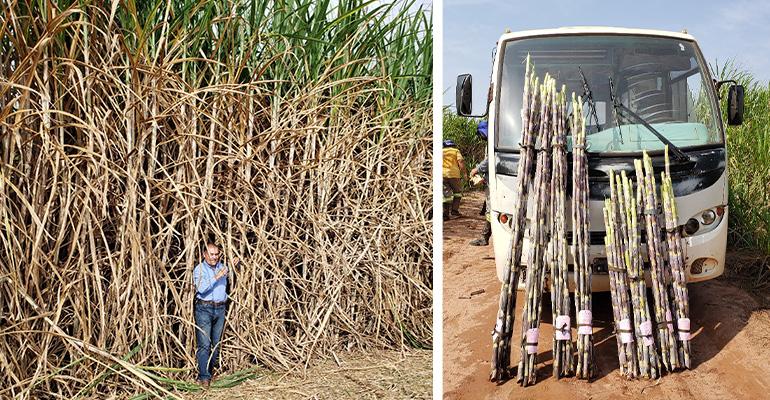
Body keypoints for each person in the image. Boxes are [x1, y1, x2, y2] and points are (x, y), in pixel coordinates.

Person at [193, 242, 239, 387]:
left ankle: (210, 372)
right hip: (204, 309)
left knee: (216, 344)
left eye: (216, 254)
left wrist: (233, 266)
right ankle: (204, 377)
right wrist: (216, 277)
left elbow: (228, 274)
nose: (214, 257)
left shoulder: (222, 267)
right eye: (211, 254)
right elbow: (201, 289)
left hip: (220, 308)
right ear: (204, 254)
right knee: (204, 344)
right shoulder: (199, 269)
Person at [470, 121, 491, 246]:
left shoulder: (493, 141)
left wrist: (477, 169)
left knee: (490, 209)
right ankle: (485, 236)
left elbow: (490, 160)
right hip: (491, 180)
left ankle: (485, 237)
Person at [442, 139, 467, 219]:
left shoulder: (441, 151)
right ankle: (454, 211)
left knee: (446, 195)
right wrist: (464, 174)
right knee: (458, 192)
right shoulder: (456, 151)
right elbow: (461, 162)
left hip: (442, 175)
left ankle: (445, 215)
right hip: (454, 175)